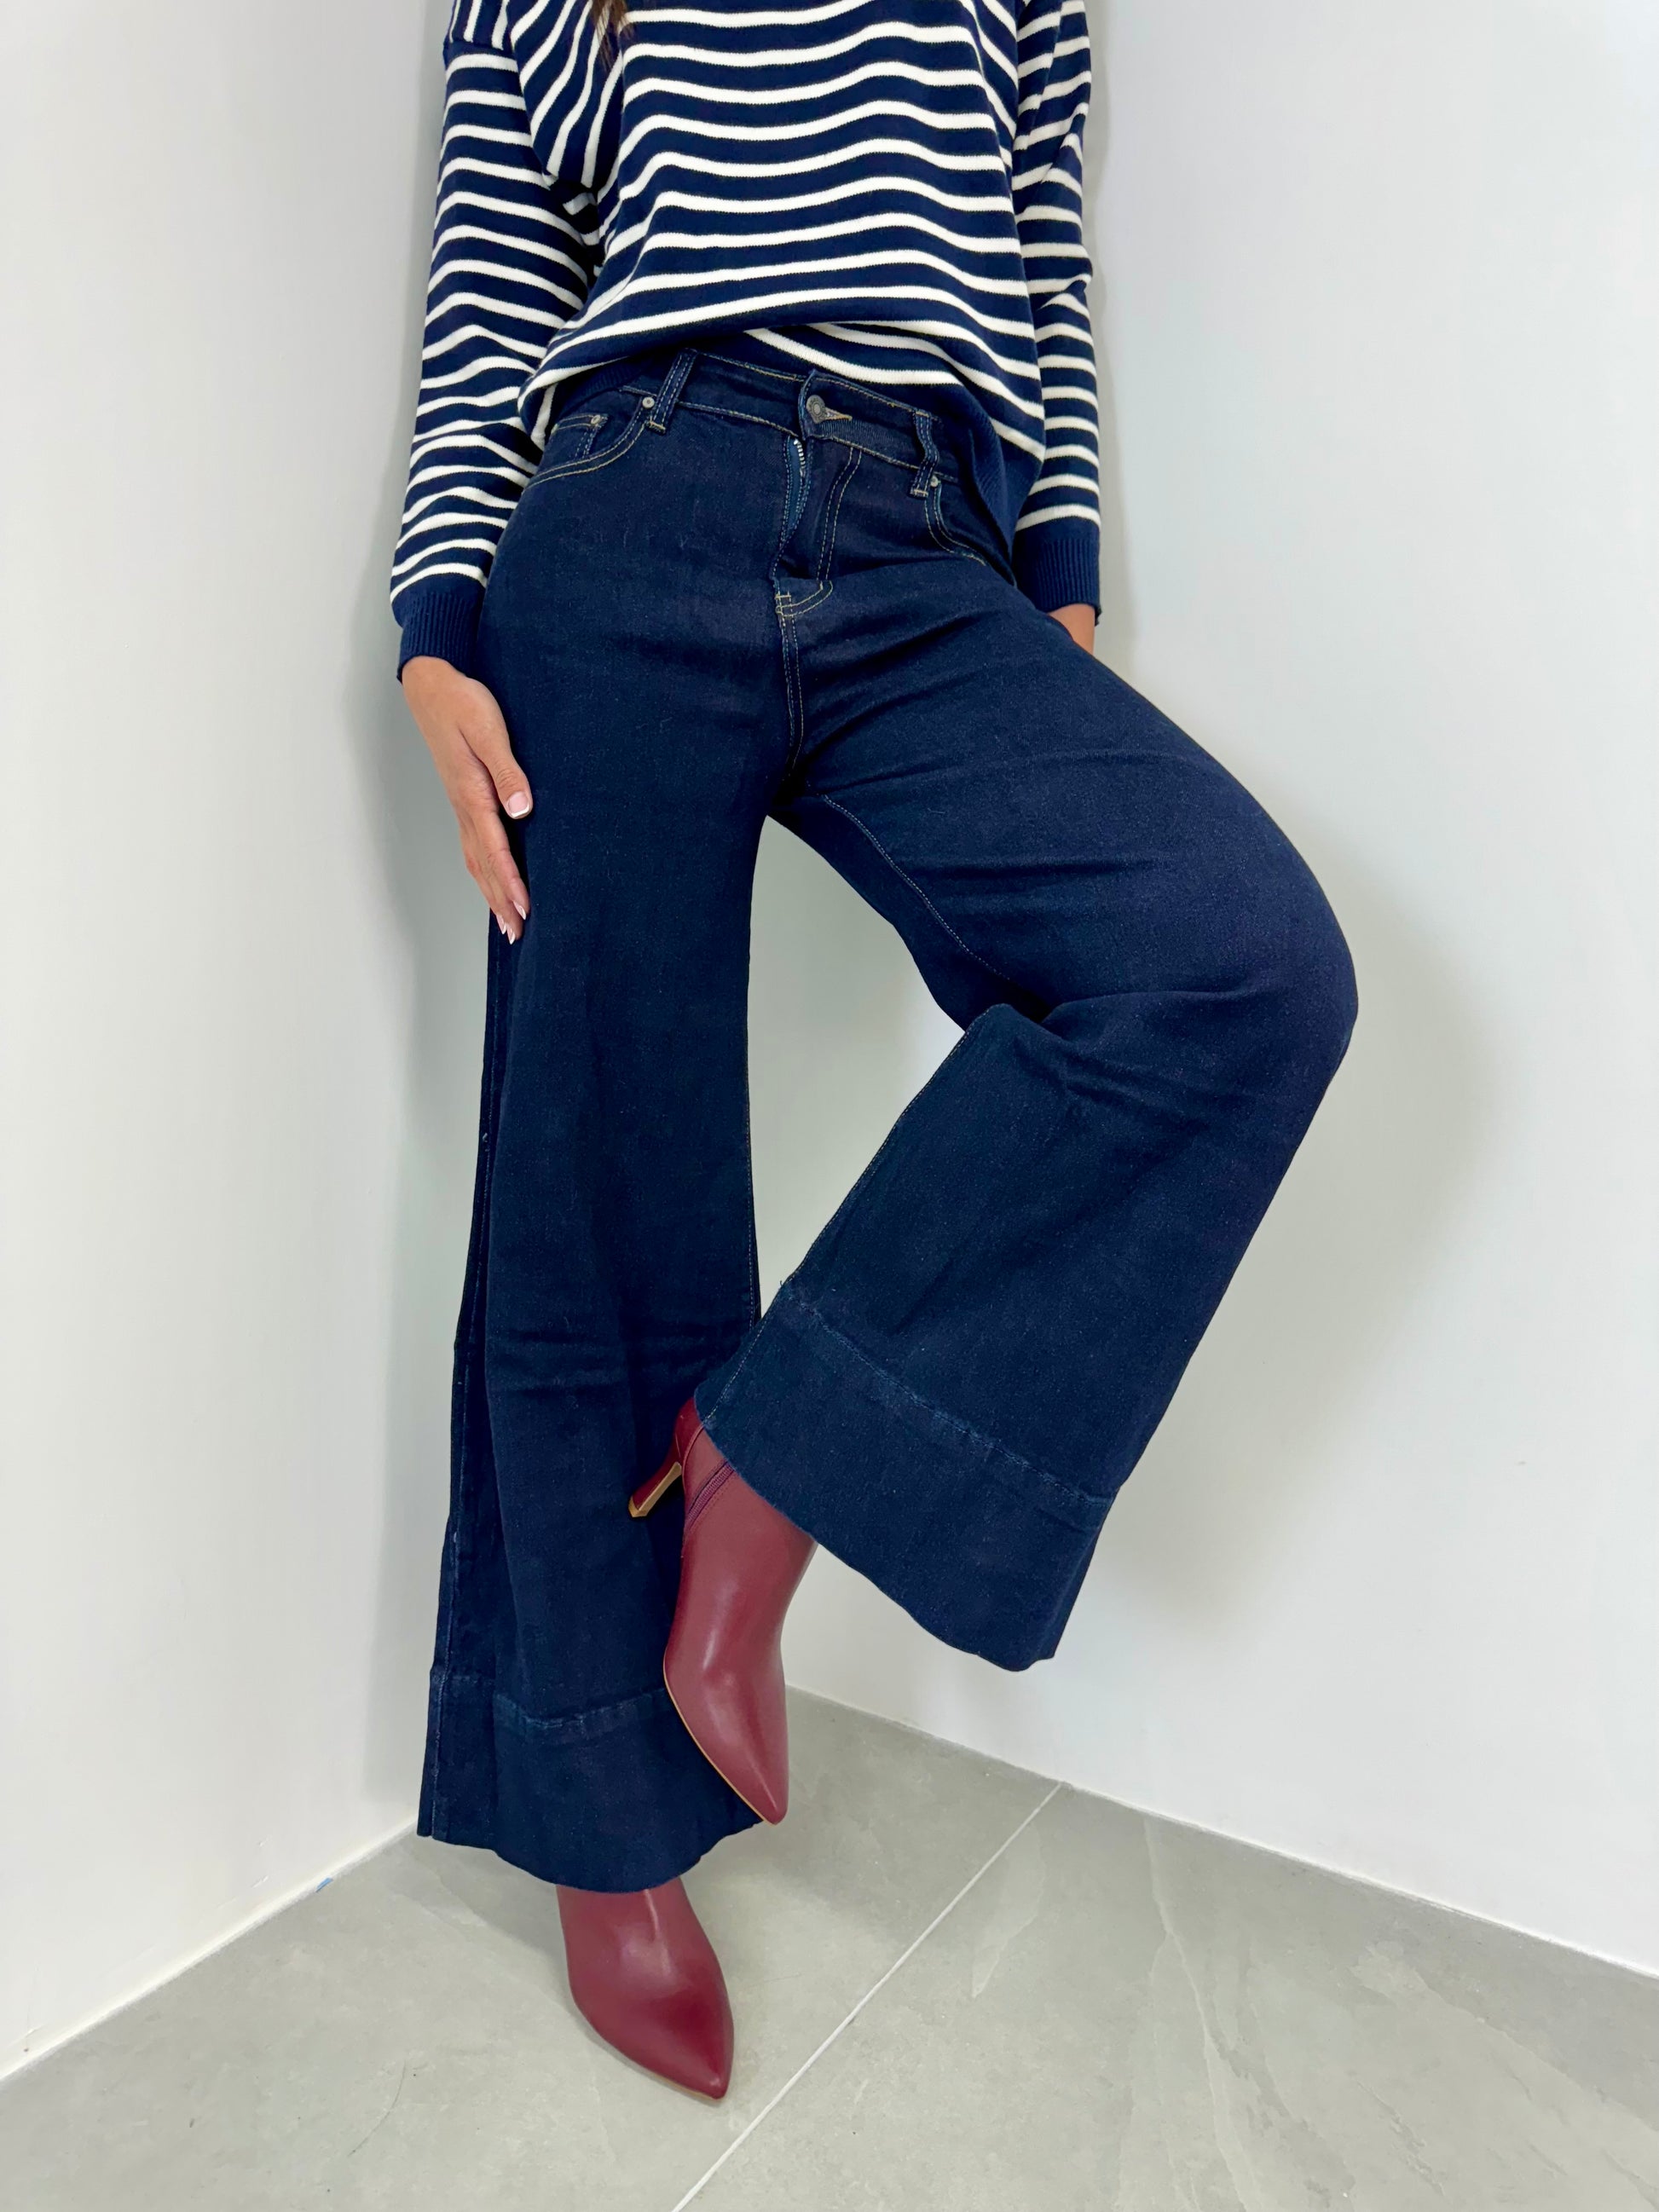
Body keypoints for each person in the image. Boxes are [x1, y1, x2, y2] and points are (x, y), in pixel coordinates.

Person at [392, 0, 1356, 2099]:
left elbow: (1035, 250)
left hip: (926, 536)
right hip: (632, 490)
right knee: (594, 1179)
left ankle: (773, 1446)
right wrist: (438, 612)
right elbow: (499, 243)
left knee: (1238, 968)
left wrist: (1059, 572)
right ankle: (604, 1823)